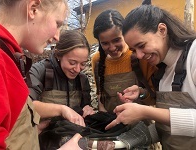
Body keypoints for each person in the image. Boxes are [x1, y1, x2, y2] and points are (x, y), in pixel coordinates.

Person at [106, 5, 196, 150]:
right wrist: (121, 142)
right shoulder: (162, 72)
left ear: (162, 30)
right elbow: (167, 128)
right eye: (134, 50)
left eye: (141, 45)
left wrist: (145, 112)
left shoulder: (194, 55)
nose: (140, 55)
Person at [0, 0, 83, 149]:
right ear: (33, 9)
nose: (57, 37)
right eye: (57, 24)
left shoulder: (9, 56)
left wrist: (30, 132)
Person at [28, 29, 95, 131]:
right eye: (72, 63)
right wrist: (62, 110)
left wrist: (87, 109)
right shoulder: (39, 71)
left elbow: (84, 106)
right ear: (58, 55)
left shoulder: (82, 80)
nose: (77, 69)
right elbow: (27, 105)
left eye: (83, 64)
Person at [91, 9, 157, 113]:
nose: (112, 48)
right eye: (105, 43)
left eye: (116, 40)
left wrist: (141, 92)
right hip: (111, 125)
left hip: (142, 126)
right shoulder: (97, 60)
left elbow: (154, 100)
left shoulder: (141, 57)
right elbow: (100, 95)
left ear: (125, 35)